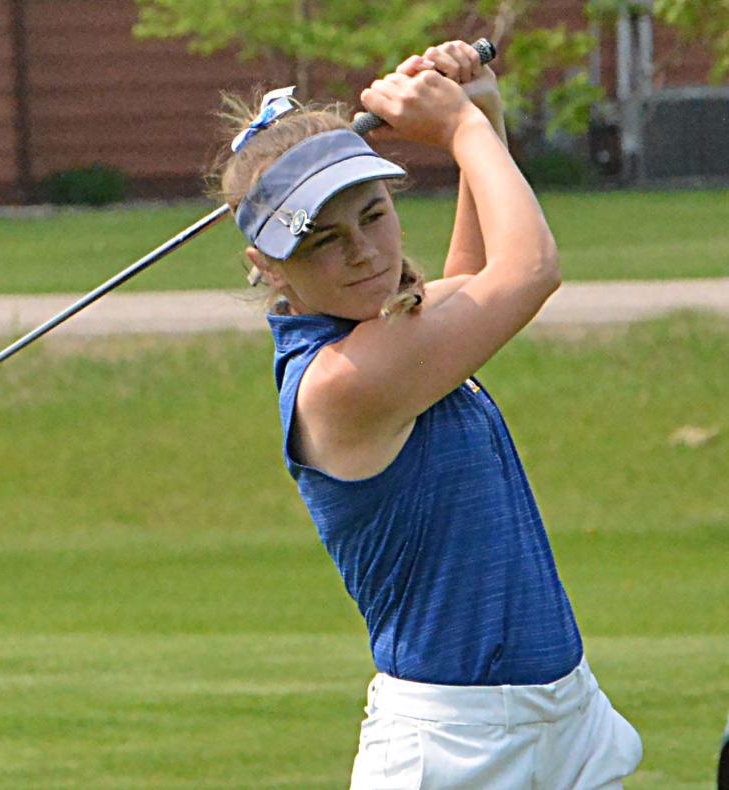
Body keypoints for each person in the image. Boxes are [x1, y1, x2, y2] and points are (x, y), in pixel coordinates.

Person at [208, 40, 644, 788]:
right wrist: (459, 133)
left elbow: (473, 281)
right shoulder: (339, 381)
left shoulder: (387, 341)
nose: (364, 254)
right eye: (322, 242)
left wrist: (481, 107)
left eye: (373, 216)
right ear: (266, 266)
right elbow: (529, 269)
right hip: (454, 748)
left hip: (566, 715)